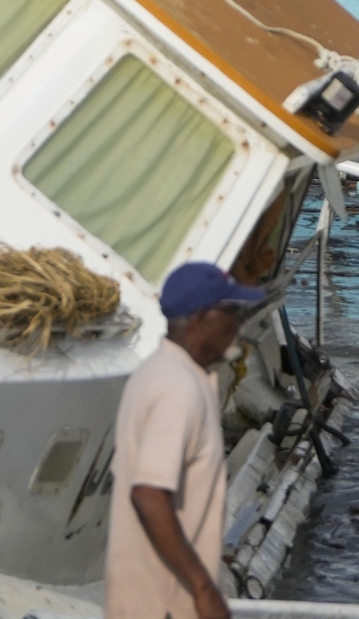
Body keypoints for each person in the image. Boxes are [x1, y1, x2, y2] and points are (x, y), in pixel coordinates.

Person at [107, 261, 262, 619]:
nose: (240, 323)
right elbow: (147, 494)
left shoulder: (162, 372)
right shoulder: (177, 388)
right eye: (233, 311)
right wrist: (204, 589)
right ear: (202, 320)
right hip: (164, 606)